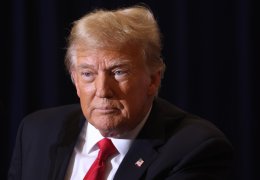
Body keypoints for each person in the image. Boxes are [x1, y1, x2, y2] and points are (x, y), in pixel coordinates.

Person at [8, 5, 233, 180]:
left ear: (153, 79)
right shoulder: (36, 132)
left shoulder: (194, 148)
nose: (103, 90)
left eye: (118, 72)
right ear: (75, 80)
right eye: (88, 74)